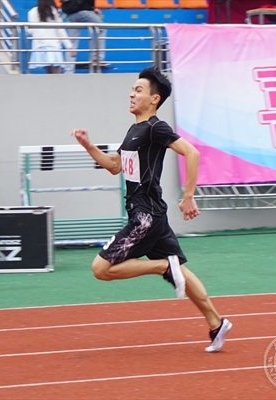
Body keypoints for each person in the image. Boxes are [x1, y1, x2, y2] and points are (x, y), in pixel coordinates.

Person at [71, 67, 232, 352]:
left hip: (144, 217)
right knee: (180, 270)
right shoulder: (135, 130)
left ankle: (161, 266)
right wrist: (88, 145)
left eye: (138, 90)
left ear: (154, 99)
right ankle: (216, 323)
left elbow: (192, 152)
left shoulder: (156, 127)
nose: (131, 94)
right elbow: (114, 166)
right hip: (153, 214)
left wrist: (189, 196)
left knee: (101, 268)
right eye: (132, 90)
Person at [28, 0, 75, 74]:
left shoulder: (31, 12)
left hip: (39, 46)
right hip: (53, 46)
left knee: (49, 73)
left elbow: (30, 31)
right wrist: (70, 46)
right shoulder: (53, 11)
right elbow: (60, 30)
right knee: (57, 74)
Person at [62, 0, 107, 74]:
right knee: (101, 28)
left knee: (72, 44)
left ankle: (68, 71)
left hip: (71, 14)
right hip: (84, 11)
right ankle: (97, 58)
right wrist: (91, 9)